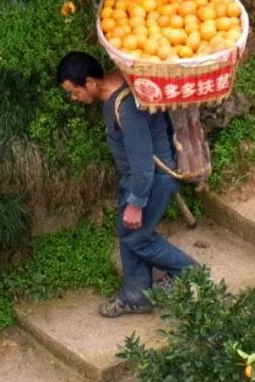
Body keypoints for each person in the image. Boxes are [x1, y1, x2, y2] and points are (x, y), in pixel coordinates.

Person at [57, 50, 196, 318]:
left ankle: (187, 272)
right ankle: (136, 295)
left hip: (153, 179)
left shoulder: (126, 108)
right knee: (128, 232)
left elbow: (143, 163)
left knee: (137, 236)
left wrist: (136, 203)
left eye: (73, 92)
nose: (74, 99)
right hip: (141, 178)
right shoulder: (120, 81)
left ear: (90, 83)